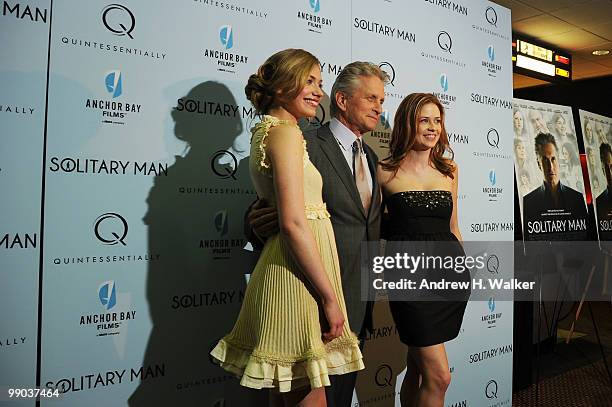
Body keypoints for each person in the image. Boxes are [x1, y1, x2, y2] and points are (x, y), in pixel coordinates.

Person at [210, 49, 364, 406]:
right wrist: (329, 298)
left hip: (293, 272)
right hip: (296, 279)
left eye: (320, 83)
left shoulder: (274, 131)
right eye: (308, 80)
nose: (317, 92)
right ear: (281, 85)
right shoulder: (287, 134)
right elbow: (295, 224)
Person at [247, 61, 388, 406]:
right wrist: (252, 220)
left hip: (359, 300)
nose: (378, 108)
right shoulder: (303, 140)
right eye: (371, 98)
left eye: (381, 101)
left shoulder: (370, 156)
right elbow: (272, 205)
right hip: (316, 297)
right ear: (341, 99)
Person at [377, 93, 469, 407]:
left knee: (416, 367)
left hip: (448, 278)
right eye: (424, 120)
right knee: (440, 377)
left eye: (437, 121)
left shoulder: (450, 170)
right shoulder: (384, 171)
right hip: (408, 281)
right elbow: (369, 228)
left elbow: (454, 227)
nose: (432, 128)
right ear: (407, 123)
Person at [522, 133, 588, 239]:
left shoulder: (577, 198)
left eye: (553, 159)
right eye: (545, 160)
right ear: (539, 163)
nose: (550, 166)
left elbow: (586, 240)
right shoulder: (529, 202)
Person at [596, 143, 612, 240]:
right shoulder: (600, 201)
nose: (610, 173)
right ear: (602, 169)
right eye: (606, 167)